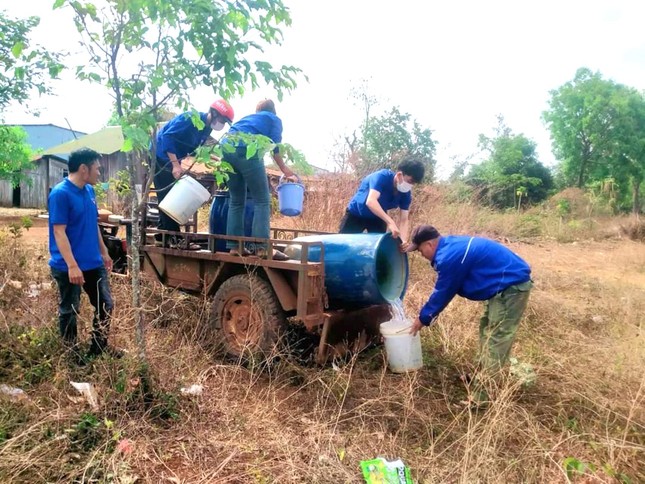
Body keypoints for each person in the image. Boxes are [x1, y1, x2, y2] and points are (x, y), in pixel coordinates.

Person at [405, 225, 533, 406]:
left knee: (497, 338)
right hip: (500, 287)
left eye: (420, 250)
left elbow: (443, 292)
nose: (421, 254)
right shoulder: (449, 246)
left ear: (430, 244)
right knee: (486, 330)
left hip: (511, 287)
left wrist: (423, 319)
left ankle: (482, 397)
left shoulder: (450, 256)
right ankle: (482, 375)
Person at [48, 148, 119, 360]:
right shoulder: (60, 194)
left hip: (93, 263)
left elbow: (93, 224)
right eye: (97, 168)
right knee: (70, 310)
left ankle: (98, 349)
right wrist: (71, 265)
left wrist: (104, 251)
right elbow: (58, 232)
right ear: (83, 169)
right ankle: (71, 356)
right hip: (68, 265)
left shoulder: (89, 191)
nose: (99, 173)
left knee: (105, 305)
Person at [153, 99, 234, 248]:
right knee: (169, 197)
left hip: (172, 158)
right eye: (222, 120)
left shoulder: (206, 128)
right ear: (214, 113)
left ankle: (161, 236)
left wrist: (213, 157)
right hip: (160, 156)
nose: (222, 124)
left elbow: (194, 147)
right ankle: (175, 240)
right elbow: (167, 137)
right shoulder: (190, 119)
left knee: (168, 196)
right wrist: (175, 165)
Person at [221, 99, 296, 260]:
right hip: (247, 149)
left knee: (236, 200)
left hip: (225, 149)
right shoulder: (274, 119)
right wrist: (284, 169)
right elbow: (276, 148)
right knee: (262, 199)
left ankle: (235, 247)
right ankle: (262, 248)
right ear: (273, 110)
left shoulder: (249, 119)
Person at [339, 159, 425, 242]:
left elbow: (404, 219)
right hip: (356, 214)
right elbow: (371, 201)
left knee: (379, 248)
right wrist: (390, 222)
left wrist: (403, 240)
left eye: (413, 183)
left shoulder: (405, 193)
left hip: (377, 218)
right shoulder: (382, 177)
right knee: (343, 244)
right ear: (399, 175)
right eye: (410, 181)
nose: (410, 185)